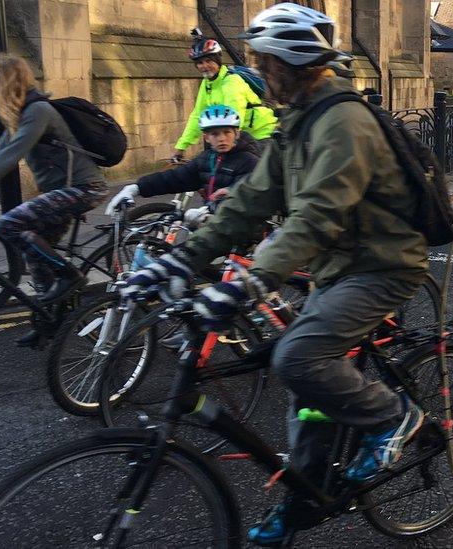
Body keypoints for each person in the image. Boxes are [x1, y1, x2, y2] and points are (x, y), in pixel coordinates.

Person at [119, 4, 427, 544]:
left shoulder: (343, 123)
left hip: (381, 267)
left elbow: (315, 216)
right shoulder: (299, 121)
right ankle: (303, 496)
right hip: (338, 267)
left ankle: (392, 416)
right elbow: (248, 201)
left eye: (265, 61)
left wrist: (251, 281)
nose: (259, 72)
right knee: (305, 392)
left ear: (291, 61)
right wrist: (180, 259)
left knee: (297, 356)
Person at [0, 54, 108, 342]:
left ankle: (70, 275)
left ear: (8, 82)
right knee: (35, 255)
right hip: (60, 192)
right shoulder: (20, 114)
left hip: (84, 188)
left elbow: (8, 158)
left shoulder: (38, 111)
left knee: (10, 224)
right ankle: (49, 322)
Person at [105, 105, 260, 222]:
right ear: (206, 137)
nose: (221, 138)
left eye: (227, 132)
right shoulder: (207, 159)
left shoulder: (249, 161)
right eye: (215, 134)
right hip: (214, 225)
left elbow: (243, 192)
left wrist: (209, 209)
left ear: (236, 134)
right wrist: (136, 188)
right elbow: (176, 178)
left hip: (242, 227)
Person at [172, 32, 277, 163]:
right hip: (237, 137)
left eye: (209, 60)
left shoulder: (232, 82)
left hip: (261, 136)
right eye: (199, 63)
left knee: (253, 177)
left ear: (218, 60)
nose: (204, 66)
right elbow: (198, 116)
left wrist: (225, 142)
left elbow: (234, 115)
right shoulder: (207, 84)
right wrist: (181, 147)